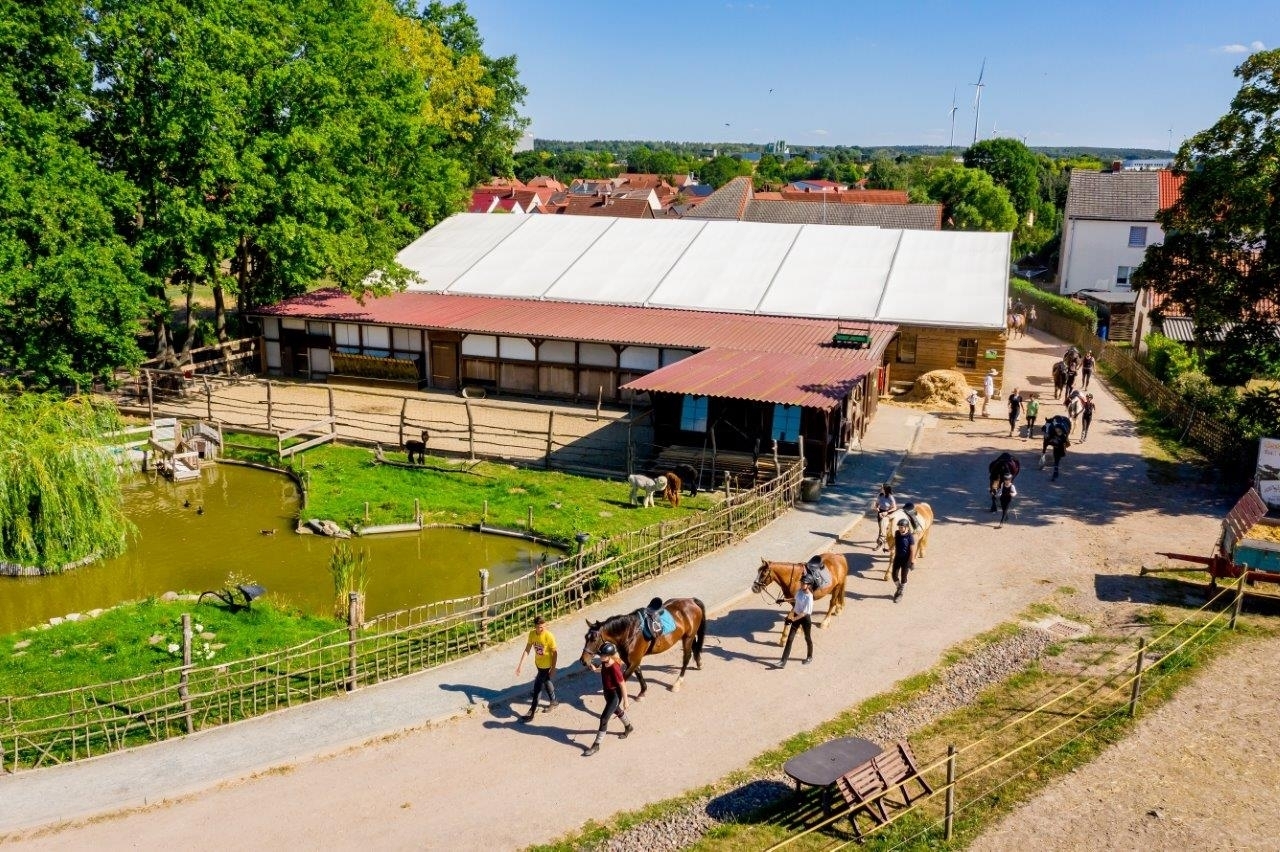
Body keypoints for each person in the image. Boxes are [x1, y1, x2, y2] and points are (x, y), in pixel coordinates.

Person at [583, 642, 633, 756]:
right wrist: (595, 669)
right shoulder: (605, 662)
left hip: (615, 695)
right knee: (616, 710)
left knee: (604, 719)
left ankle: (596, 745)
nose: (600, 656)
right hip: (607, 693)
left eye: (603, 655)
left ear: (609, 655)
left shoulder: (614, 667)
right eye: (600, 654)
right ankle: (629, 727)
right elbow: (602, 670)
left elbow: (622, 684)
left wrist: (626, 701)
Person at [515, 615, 558, 722]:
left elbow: (555, 653)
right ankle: (554, 701)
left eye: (543, 627)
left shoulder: (549, 636)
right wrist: (520, 665)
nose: (541, 629)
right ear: (535, 626)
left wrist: (553, 668)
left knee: (537, 687)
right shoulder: (532, 634)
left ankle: (532, 711)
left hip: (546, 665)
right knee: (546, 681)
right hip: (538, 663)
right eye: (539, 627)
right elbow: (527, 649)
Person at [777, 579, 816, 668]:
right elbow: (795, 599)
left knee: (807, 638)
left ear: (808, 585)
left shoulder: (809, 597)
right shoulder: (800, 591)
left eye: (803, 583)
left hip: (805, 619)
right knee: (790, 639)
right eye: (801, 583)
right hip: (796, 616)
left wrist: (792, 620)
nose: (801, 584)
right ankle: (783, 662)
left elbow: (804, 613)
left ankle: (809, 657)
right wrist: (783, 600)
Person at [891, 518, 915, 602]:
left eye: (902, 527)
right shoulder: (897, 533)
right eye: (899, 527)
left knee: (903, 577)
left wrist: (912, 561)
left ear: (906, 527)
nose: (900, 529)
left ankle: (900, 593)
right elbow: (895, 542)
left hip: (906, 560)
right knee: (894, 575)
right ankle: (899, 588)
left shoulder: (910, 537)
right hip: (897, 557)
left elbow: (912, 550)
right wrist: (890, 548)